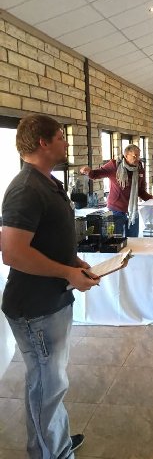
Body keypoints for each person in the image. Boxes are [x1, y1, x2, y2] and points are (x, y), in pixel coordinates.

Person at [1, 113, 101, 458]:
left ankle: (54, 439)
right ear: (43, 142)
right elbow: (12, 253)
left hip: (51, 301)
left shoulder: (47, 181)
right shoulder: (26, 188)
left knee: (52, 382)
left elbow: (45, 240)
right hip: (34, 307)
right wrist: (66, 273)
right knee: (46, 384)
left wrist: (72, 264)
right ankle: (50, 451)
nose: (66, 141)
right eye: (61, 136)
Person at [80, 144, 153, 237]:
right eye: (135, 156)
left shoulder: (140, 168)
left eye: (139, 156)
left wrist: (151, 198)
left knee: (134, 240)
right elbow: (96, 174)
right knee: (115, 240)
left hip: (132, 210)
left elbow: (140, 190)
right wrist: (88, 171)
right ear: (126, 155)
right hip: (116, 210)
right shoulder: (114, 165)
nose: (138, 158)